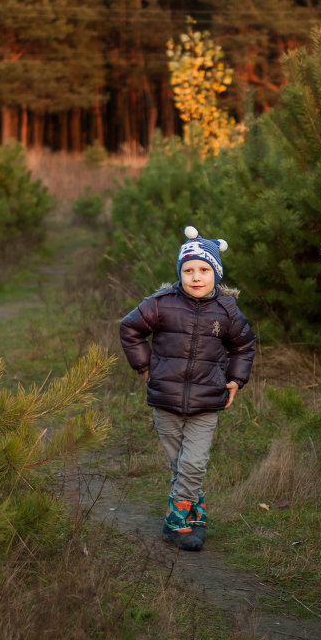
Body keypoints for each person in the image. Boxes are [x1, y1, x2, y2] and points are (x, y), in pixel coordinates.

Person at [119, 225, 256, 551]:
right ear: (179, 272)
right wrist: (145, 366)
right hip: (165, 400)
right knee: (179, 465)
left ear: (216, 273)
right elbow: (130, 328)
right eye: (188, 270)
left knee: (193, 464)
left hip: (208, 401)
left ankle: (175, 521)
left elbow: (244, 347)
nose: (196, 276)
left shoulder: (228, 311)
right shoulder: (161, 303)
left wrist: (236, 380)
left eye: (204, 270)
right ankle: (196, 511)